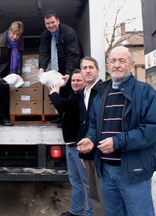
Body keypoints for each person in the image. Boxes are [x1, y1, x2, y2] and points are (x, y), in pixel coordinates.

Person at [77, 46, 156, 216]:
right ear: (107, 66)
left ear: (131, 65)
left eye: (122, 60)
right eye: (113, 61)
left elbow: (152, 129)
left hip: (134, 170)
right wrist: (91, 139)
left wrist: (117, 142)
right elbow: (94, 124)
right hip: (106, 171)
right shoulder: (101, 94)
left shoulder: (145, 92)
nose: (117, 65)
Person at [49, 70, 93, 216]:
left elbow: (61, 105)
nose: (75, 83)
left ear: (85, 82)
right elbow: (64, 107)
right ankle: (76, 211)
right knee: (75, 181)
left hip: (78, 147)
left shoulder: (80, 97)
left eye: (78, 80)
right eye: (73, 80)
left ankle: (91, 213)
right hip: (70, 146)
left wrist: (54, 92)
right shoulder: (73, 95)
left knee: (87, 183)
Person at [38, 10, 81, 127]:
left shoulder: (69, 32)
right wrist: (41, 68)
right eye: (47, 23)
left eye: (52, 22)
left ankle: (69, 119)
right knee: (55, 92)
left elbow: (73, 55)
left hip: (69, 65)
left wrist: (68, 73)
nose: (50, 25)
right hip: (55, 66)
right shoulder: (45, 35)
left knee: (68, 92)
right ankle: (61, 116)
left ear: (58, 20)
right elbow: (44, 52)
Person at [0, 21, 24, 126]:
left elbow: (19, 58)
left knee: (5, 90)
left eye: (18, 35)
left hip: (9, 65)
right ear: (9, 30)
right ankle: (3, 118)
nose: (15, 37)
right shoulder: (1, 38)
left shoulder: (20, 40)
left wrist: (19, 74)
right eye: (13, 33)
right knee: (1, 90)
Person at [78, 56, 103, 216]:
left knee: (103, 192)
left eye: (91, 67)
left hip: (101, 150)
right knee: (93, 192)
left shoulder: (103, 91)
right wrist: (82, 152)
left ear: (97, 70)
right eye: (84, 68)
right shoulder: (83, 93)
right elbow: (84, 123)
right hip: (87, 150)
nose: (87, 70)